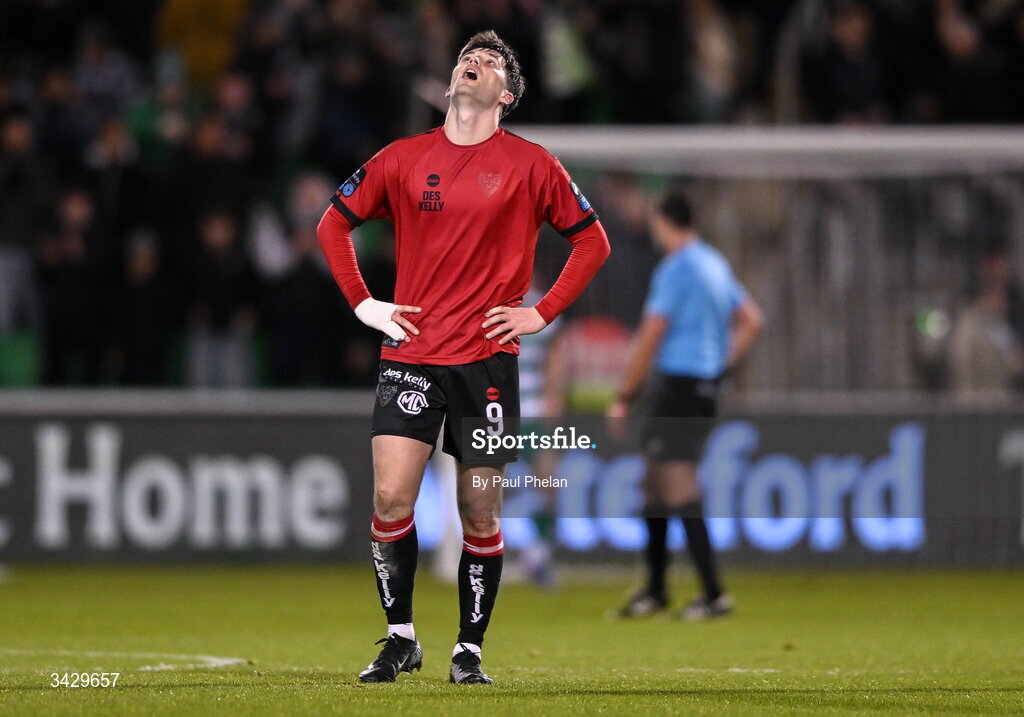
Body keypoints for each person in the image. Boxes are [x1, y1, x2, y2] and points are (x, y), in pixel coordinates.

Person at [316, 30, 609, 684]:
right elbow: (332, 223)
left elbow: (593, 244)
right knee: (392, 495)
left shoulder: (534, 165)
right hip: (412, 353)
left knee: (481, 508)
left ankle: (469, 648)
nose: (472, 65)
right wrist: (365, 304)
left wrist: (541, 311)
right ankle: (400, 638)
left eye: (488, 64)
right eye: (466, 59)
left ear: (505, 95)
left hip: (487, 363)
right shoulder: (402, 158)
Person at [606, 191, 762, 621]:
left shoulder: (676, 269)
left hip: (677, 385)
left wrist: (624, 396)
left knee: (677, 483)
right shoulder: (714, 263)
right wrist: (720, 364)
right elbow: (752, 320)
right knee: (652, 482)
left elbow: (651, 335)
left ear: (663, 222)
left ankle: (713, 594)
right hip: (703, 385)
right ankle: (656, 590)